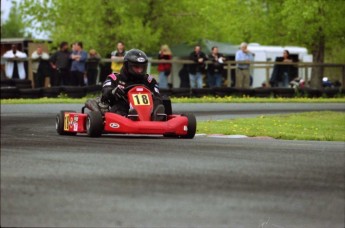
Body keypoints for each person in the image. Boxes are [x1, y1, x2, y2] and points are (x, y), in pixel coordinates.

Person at [88, 49, 164, 119]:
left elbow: (158, 96)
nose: (140, 70)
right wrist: (113, 92)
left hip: (148, 109)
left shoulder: (149, 80)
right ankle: (130, 116)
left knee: (160, 101)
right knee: (120, 105)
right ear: (127, 65)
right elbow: (105, 90)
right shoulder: (115, 78)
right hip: (123, 106)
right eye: (136, 67)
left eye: (142, 67)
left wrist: (153, 97)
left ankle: (157, 116)